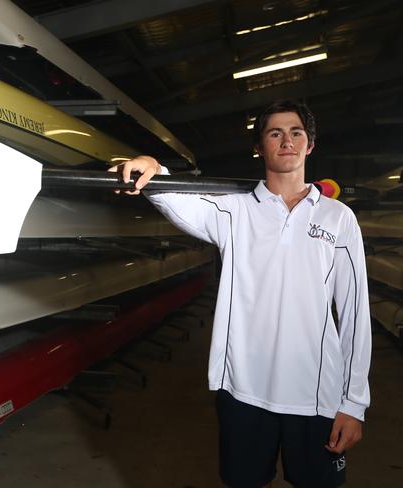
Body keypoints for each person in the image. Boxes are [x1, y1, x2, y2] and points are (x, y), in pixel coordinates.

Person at [109, 100, 371, 488]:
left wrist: (353, 404)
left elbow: (354, 313)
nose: (286, 140)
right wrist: (153, 168)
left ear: (309, 145)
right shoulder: (233, 212)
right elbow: (176, 200)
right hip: (243, 392)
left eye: (296, 132)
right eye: (275, 133)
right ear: (260, 147)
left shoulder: (337, 218)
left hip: (318, 395)